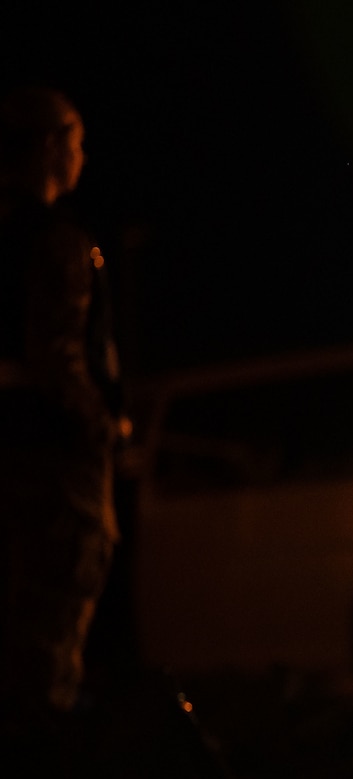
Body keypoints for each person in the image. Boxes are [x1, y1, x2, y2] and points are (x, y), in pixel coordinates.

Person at [0, 87, 122, 727]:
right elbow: (58, 359)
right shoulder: (57, 243)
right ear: (50, 146)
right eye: (75, 141)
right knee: (45, 656)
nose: (82, 155)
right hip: (52, 472)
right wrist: (102, 429)